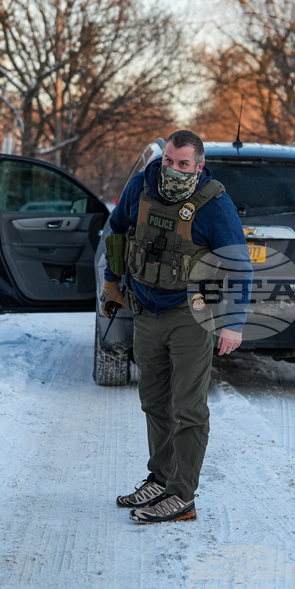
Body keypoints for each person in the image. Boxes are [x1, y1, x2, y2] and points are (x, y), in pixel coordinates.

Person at [102, 130, 251, 523]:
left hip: (192, 315)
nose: (173, 168)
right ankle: (161, 476)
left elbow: (239, 264)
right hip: (146, 311)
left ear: (199, 166)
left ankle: (182, 495)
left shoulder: (214, 205)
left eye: (183, 163)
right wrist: (111, 284)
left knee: (188, 407)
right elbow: (117, 231)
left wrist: (233, 324)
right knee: (153, 400)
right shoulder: (141, 185)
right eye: (169, 160)